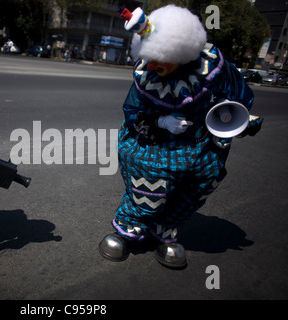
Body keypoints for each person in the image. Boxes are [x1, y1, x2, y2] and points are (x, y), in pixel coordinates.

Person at [98, 5, 263, 268]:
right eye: (149, 57)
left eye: (159, 57)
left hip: (202, 143)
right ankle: (127, 231)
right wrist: (160, 121)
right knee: (150, 188)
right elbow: (132, 112)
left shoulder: (213, 64)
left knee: (197, 186)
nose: (152, 63)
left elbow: (237, 95)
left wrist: (241, 118)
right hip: (157, 145)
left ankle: (165, 230)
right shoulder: (147, 75)